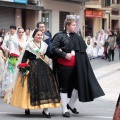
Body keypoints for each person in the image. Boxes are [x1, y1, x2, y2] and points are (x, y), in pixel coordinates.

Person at [51, 17, 105, 118]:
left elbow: (83, 50)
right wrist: (63, 54)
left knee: (78, 86)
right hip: (64, 66)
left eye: (75, 25)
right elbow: (53, 48)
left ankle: (70, 104)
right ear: (67, 26)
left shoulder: (77, 36)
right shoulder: (59, 36)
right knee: (64, 87)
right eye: (73, 25)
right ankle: (64, 109)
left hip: (77, 66)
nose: (75, 27)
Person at [4, 29, 61, 118]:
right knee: (29, 88)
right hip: (32, 68)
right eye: (38, 35)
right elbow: (24, 58)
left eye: (41, 35)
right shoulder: (29, 45)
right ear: (33, 36)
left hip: (43, 69)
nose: (39, 36)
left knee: (45, 88)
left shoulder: (45, 45)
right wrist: (23, 68)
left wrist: (59, 53)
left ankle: (45, 110)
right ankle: (27, 107)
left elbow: (50, 54)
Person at [1, 26, 26, 95]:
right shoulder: (12, 39)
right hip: (13, 58)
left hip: (21, 59)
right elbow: (4, 45)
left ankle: (18, 89)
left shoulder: (25, 40)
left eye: (22, 32)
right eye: (19, 32)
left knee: (19, 74)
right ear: (17, 33)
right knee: (10, 73)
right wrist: (8, 51)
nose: (21, 33)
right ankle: (9, 90)